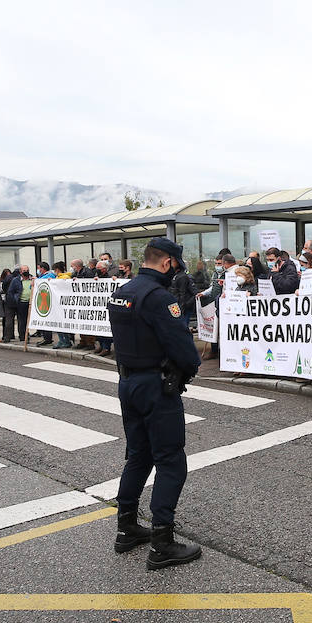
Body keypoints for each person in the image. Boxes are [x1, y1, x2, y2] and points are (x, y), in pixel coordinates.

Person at [107, 237, 204, 570]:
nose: (175, 270)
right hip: (156, 386)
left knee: (138, 456)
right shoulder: (160, 298)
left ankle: (127, 528)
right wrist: (190, 367)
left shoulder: (122, 293)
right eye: (175, 265)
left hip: (127, 382)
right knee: (171, 461)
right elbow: (182, 348)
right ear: (167, 263)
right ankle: (162, 543)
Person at [3, 266, 25, 343]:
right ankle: (22, 336)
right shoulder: (19, 279)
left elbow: (4, 287)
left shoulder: (8, 277)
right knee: (21, 319)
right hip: (18, 301)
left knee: (9, 320)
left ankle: (8, 337)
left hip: (9, 301)